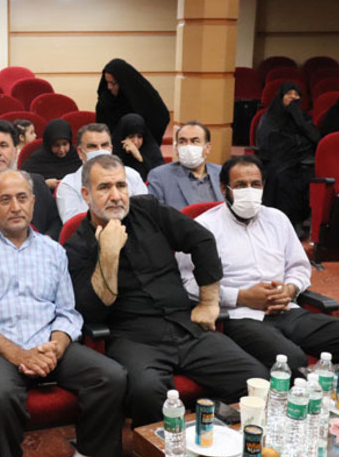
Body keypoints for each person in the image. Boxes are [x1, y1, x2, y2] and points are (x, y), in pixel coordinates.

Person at [64, 154, 268, 428]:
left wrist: (209, 303)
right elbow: (92, 312)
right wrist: (108, 255)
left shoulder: (148, 209)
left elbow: (202, 240)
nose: (116, 196)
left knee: (255, 379)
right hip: (133, 339)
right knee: (147, 392)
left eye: (121, 186)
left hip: (186, 327)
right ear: (86, 195)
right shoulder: (76, 245)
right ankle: (156, 447)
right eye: (104, 188)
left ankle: (212, 434)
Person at [0, 169, 126, 457]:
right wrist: (20, 355)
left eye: (22, 198)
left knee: (111, 376)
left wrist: (56, 347)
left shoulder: (53, 250)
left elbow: (67, 312)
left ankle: (87, 455)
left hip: (49, 344)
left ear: (33, 202)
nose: (15, 207)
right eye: (5, 200)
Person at [177, 155, 339, 377]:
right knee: (291, 361)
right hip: (238, 317)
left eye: (255, 184)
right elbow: (187, 283)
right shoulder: (203, 228)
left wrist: (290, 289)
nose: (249, 191)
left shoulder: (277, 219)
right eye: (240, 185)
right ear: (224, 189)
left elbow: (299, 267)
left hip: (287, 310)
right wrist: (240, 297)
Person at [256, 81, 320, 231]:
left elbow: (315, 138)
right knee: (282, 177)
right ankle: (282, 223)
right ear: (281, 96)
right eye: (289, 94)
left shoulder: (303, 117)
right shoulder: (270, 117)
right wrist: (299, 142)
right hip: (276, 159)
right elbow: (270, 141)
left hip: (302, 160)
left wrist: (299, 119)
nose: (293, 97)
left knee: (308, 174)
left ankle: (300, 222)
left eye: (296, 94)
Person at [56, 123, 147, 224]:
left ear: (111, 149)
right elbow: (72, 225)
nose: (100, 151)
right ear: (80, 152)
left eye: (104, 145)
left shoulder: (132, 175)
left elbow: (144, 215)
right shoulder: (69, 185)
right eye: (92, 146)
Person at [146, 121, 223, 211]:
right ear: (176, 148)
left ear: (207, 148)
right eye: (182, 142)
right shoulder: (160, 176)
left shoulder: (222, 173)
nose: (188, 146)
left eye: (195, 141)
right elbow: (154, 213)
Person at [95, 58, 170, 146]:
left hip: (141, 146)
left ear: (123, 83)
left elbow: (161, 116)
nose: (109, 87)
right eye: (107, 82)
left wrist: (141, 139)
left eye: (113, 83)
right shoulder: (105, 99)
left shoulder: (141, 96)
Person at [20, 118, 81, 190]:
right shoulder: (36, 162)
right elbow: (22, 182)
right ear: (49, 145)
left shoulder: (78, 157)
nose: (61, 150)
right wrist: (44, 183)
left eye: (65, 144)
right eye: (56, 145)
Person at [112, 112, 164, 179]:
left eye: (139, 137)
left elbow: (160, 177)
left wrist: (140, 158)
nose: (135, 142)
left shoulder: (151, 150)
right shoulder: (114, 151)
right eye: (131, 137)